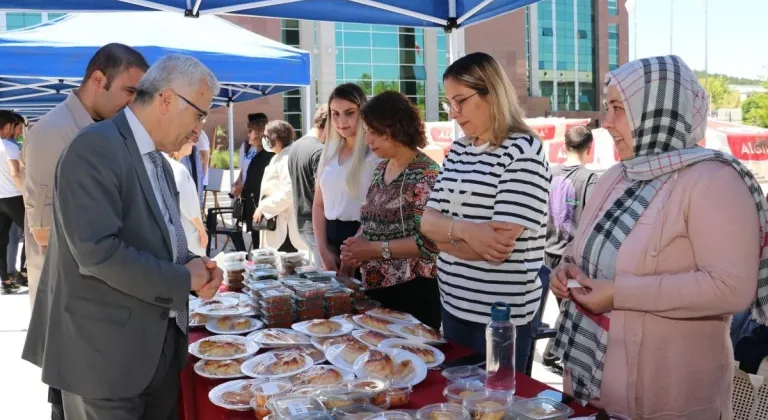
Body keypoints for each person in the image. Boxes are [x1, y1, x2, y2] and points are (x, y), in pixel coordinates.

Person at [549, 55, 768, 418]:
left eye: (619, 108)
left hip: (669, 399)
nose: (607, 122)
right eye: (608, 107)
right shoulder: (617, 176)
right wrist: (566, 270)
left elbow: (731, 288)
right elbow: (580, 249)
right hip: (590, 386)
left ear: (656, 109)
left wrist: (620, 294)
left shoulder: (713, 180)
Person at [22, 54, 224, 420]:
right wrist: (182, 278)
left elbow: (153, 242)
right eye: (199, 114)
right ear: (166, 100)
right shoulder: (95, 147)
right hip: (104, 361)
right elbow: (97, 252)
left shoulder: (160, 162)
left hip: (154, 353)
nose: (199, 130)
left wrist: (194, 271)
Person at [420, 52, 550, 371]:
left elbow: (496, 247)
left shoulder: (524, 151)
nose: (454, 112)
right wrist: (467, 232)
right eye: (449, 102)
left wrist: (444, 237)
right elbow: (425, 224)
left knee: (497, 407)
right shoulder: (459, 149)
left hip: (500, 318)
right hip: (452, 305)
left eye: (460, 101)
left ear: (491, 93)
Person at [22, 43, 148, 307]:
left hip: (97, 297)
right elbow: (43, 232)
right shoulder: (53, 131)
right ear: (99, 79)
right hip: (66, 303)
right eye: (129, 91)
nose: (132, 102)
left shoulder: (105, 131)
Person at [340, 91, 441, 329]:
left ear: (395, 129)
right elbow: (370, 220)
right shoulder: (380, 169)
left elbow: (429, 244)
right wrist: (352, 249)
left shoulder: (426, 174)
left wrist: (372, 249)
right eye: (367, 132)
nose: (368, 141)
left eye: (374, 133)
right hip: (377, 291)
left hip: (413, 292)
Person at [541, 125, 597, 373]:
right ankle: (551, 355)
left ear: (564, 146)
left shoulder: (548, 174)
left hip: (544, 251)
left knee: (563, 306)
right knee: (569, 307)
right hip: (569, 255)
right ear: (590, 148)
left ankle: (551, 353)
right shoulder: (590, 179)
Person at [313, 83, 379, 273]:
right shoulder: (328, 153)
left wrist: (351, 254)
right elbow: (319, 204)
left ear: (362, 112)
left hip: (364, 242)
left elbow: (377, 210)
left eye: (349, 112)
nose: (341, 121)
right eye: (335, 114)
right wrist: (323, 250)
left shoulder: (374, 154)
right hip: (330, 240)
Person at [254, 120, 306, 252]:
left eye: (266, 136)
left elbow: (290, 192)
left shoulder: (286, 158)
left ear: (275, 139)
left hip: (285, 230)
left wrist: (263, 207)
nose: (264, 140)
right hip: (279, 226)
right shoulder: (280, 156)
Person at [288, 104, 328, 265]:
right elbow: (323, 194)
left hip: (301, 222)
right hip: (316, 225)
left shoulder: (296, 145)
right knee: (327, 280)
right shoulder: (319, 151)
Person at [233, 113, 273, 249]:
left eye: (251, 131)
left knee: (261, 246)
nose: (248, 134)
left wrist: (242, 188)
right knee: (256, 242)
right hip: (252, 207)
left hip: (261, 209)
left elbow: (260, 184)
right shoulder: (253, 150)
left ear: (260, 133)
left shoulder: (268, 155)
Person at [165, 137, 208, 256]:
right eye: (189, 140)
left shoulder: (166, 165)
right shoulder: (178, 169)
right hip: (188, 231)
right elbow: (187, 205)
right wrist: (201, 229)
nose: (193, 143)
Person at [0, 111, 25, 295]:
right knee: (33, 233)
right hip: (14, 196)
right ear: (8, 126)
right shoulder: (9, 146)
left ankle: (6, 280)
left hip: (0, 197)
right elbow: (15, 172)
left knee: (2, 240)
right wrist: (27, 192)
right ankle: (28, 272)